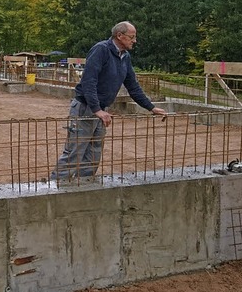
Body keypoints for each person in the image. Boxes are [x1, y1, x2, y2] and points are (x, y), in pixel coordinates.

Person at [52, 21, 167, 182]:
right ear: (119, 36)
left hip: (102, 110)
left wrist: (151, 107)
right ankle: (55, 186)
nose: (135, 41)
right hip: (85, 108)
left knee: (93, 153)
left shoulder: (125, 57)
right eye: (132, 37)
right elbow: (88, 81)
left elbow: (133, 86)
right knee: (75, 152)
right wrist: (96, 109)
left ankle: (84, 186)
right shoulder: (101, 50)